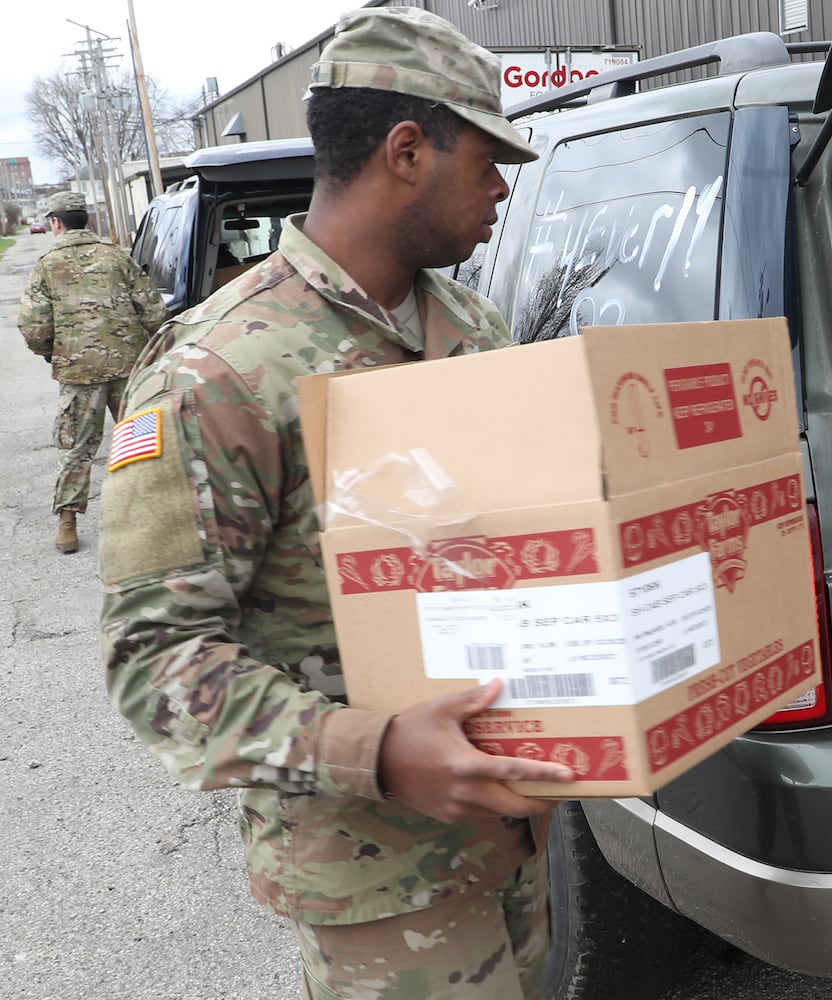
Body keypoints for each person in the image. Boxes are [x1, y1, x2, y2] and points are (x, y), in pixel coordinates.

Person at [98, 8, 578, 999]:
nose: (501, 189)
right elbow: (155, 662)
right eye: (488, 160)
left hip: (520, 830)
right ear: (407, 150)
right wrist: (378, 749)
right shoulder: (218, 370)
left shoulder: (470, 324)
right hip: (380, 883)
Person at [17, 190, 168, 554]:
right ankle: (160, 516)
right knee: (141, 440)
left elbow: (33, 326)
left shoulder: (47, 265)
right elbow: (153, 311)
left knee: (76, 447)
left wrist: (52, 353)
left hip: (78, 372)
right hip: (128, 368)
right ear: (87, 220)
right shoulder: (118, 257)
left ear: (55, 222)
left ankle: (67, 524)